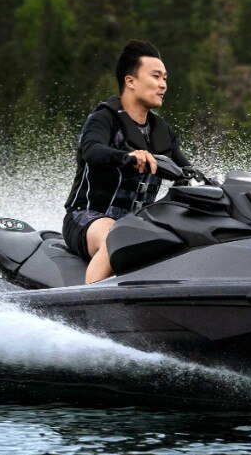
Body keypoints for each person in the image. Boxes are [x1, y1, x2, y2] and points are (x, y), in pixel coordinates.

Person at [62, 39, 195, 283]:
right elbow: (91, 150)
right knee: (117, 237)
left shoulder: (161, 131)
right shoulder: (103, 118)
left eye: (165, 78)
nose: (163, 85)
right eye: (156, 77)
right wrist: (127, 156)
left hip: (136, 227)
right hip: (86, 218)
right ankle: (92, 308)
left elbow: (187, 171)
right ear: (130, 81)